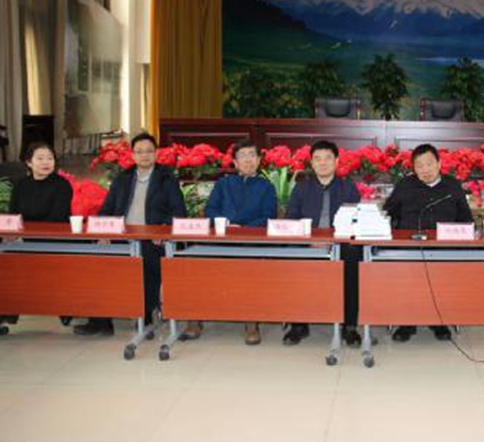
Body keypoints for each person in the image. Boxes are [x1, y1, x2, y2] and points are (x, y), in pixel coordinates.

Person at [73, 133, 186, 336]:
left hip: (153, 238)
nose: (144, 155)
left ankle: (145, 315)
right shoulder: (123, 178)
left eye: (149, 151)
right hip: (122, 237)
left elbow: (179, 212)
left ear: (156, 154)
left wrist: (163, 231)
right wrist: (103, 232)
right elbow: (106, 210)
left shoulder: (167, 178)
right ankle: (101, 320)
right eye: (139, 151)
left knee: (148, 260)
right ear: (132, 155)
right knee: (97, 260)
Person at [182, 139, 277, 345]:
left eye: (252, 155)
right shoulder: (223, 184)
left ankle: (251, 322)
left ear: (259, 160)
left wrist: (242, 228)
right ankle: (194, 317)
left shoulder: (266, 187)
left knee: (250, 268)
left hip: (251, 241)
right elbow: (210, 210)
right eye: (243, 156)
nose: (248, 160)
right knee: (194, 262)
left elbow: (269, 216)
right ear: (235, 162)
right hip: (220, 238)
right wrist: (225, 225)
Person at [383, 143, 473, 342]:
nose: (425, 169)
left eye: (429, 164)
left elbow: (466, 219)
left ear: (439, 164)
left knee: (443, 275)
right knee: (406, 275)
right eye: (419, 165)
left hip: (444, 248)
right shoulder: (405, 185)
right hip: (409, 246)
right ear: (413, 168)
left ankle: (439, 321)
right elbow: (388, 212)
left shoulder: (452, 186)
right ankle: (407, 322)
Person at [285, 140, 362, 346]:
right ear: (311, 163)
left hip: (341, 245)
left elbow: (356, 220)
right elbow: (291, 218)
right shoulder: (302, 188)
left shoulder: (348, 187)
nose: (323, 163)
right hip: (308, 244)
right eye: (317, 159)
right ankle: (298, 324)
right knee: (292, 258)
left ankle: (350, 326)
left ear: (336, 161)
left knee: (353, 259)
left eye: (328, 158)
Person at [1, 142, 74, 331]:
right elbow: (13, 214)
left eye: (50, 158)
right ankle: (7, 310)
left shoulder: (62, 185)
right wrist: (12, 233)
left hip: (55, 240)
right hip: (24, 240)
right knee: (8, 264)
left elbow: (58, 217)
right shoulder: (21, 184)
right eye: (40, 158)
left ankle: (65, 307)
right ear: (29, 162)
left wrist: (29, 235)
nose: (46, 162)